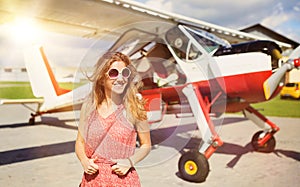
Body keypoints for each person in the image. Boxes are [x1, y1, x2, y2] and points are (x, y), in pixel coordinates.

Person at [75, 52, 151, 186]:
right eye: (114, 73)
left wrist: (130, 161)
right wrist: (84, 161)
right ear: (101, 78)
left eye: (125, 73)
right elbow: (80, 142)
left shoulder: (135, 107)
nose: (121, 78)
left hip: (123, 181)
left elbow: (146, 145)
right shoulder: (89, 107)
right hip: (93, 181)